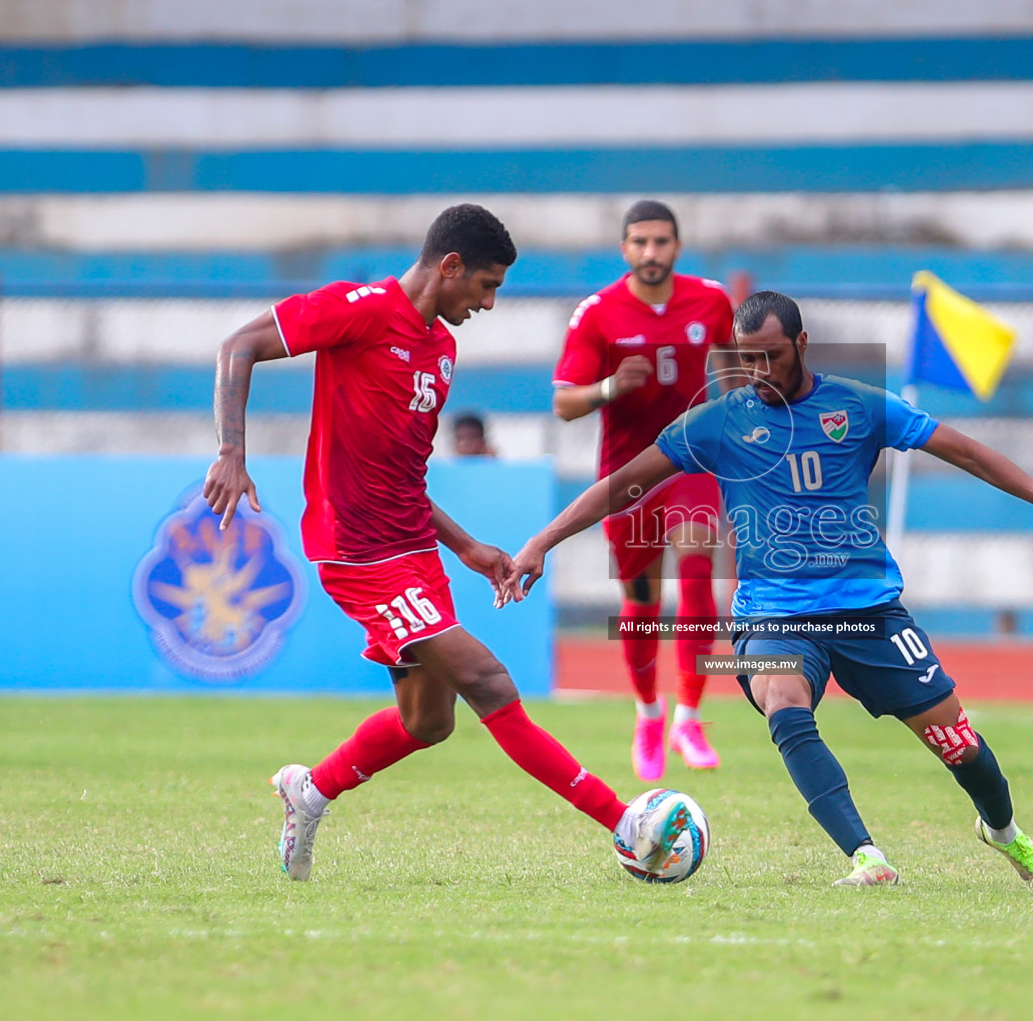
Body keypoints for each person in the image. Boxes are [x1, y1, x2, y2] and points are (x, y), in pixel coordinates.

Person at [504, 291, 1033, 887]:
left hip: (868, 609)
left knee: (956, 743)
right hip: (773, 615)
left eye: (770, 355)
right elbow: (623, 484)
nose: (757, 370)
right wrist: (542, 542)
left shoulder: (859, 406)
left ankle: (1005, 834)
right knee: (783, 697)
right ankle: (866, 856)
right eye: (746, 357)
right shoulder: (718, 422)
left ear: (801, 344)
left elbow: (967, 452)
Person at [202, 203, 688, 882]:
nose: (488, 303)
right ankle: (626, 825)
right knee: (487, 680)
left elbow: (402, 474)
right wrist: (231, 452)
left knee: (429, 722)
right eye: (485, 286)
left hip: (415, 553)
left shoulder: (441, 350)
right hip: (359, 554)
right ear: (450, 266)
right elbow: (239, 346)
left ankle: (309, 790)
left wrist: (465, 548)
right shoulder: (359, 311)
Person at [551, 200, 736, 781]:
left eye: (661, 242)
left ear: (677, 246)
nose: (651, 253)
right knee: (641, 605)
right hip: (627, 475)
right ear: (624, 249)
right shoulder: (598, 313)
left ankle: (689, 715)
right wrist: (608, 387)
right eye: (640, 243)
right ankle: (649, 716)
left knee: (699, 566)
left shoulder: (711, 299)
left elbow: (733, 367)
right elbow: (563, 403)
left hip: (691, 462)